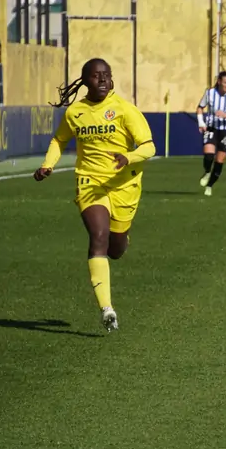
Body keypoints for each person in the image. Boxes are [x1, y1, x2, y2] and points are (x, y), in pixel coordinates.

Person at [35, 58, 155, 332]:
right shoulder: (75, 112)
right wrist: (48, 164)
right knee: (98, 236)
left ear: (112, 79)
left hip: (125, 186)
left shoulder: (125, 110)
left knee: (116, 249)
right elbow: (59, 139)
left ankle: (122, 236)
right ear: (85, 80)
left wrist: (129, 156)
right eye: (96, 76)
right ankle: (107, 309)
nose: (102, 80)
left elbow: (149, 147)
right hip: (90, 182)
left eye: (106, 75)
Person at [196, 71, 226, 196]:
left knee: (219, 160)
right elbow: (200, 107)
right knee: (209, 155)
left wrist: (225, 115)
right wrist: (201, 123)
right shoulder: (209, 93)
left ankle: (210, 185)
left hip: (225, 131)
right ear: (219, 82)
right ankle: (207, 171)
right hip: (211, 128)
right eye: (225, 82)